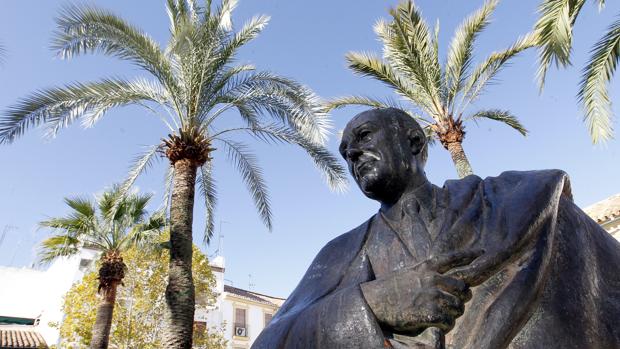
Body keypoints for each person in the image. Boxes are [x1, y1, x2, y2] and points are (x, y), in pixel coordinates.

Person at [252, 108, 620, 349]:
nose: (352, 154)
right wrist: (373, 303)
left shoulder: (518, 202)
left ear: (413, 142)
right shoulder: (340, 252)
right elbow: (269, 343)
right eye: (346, 152)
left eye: (363, 137)